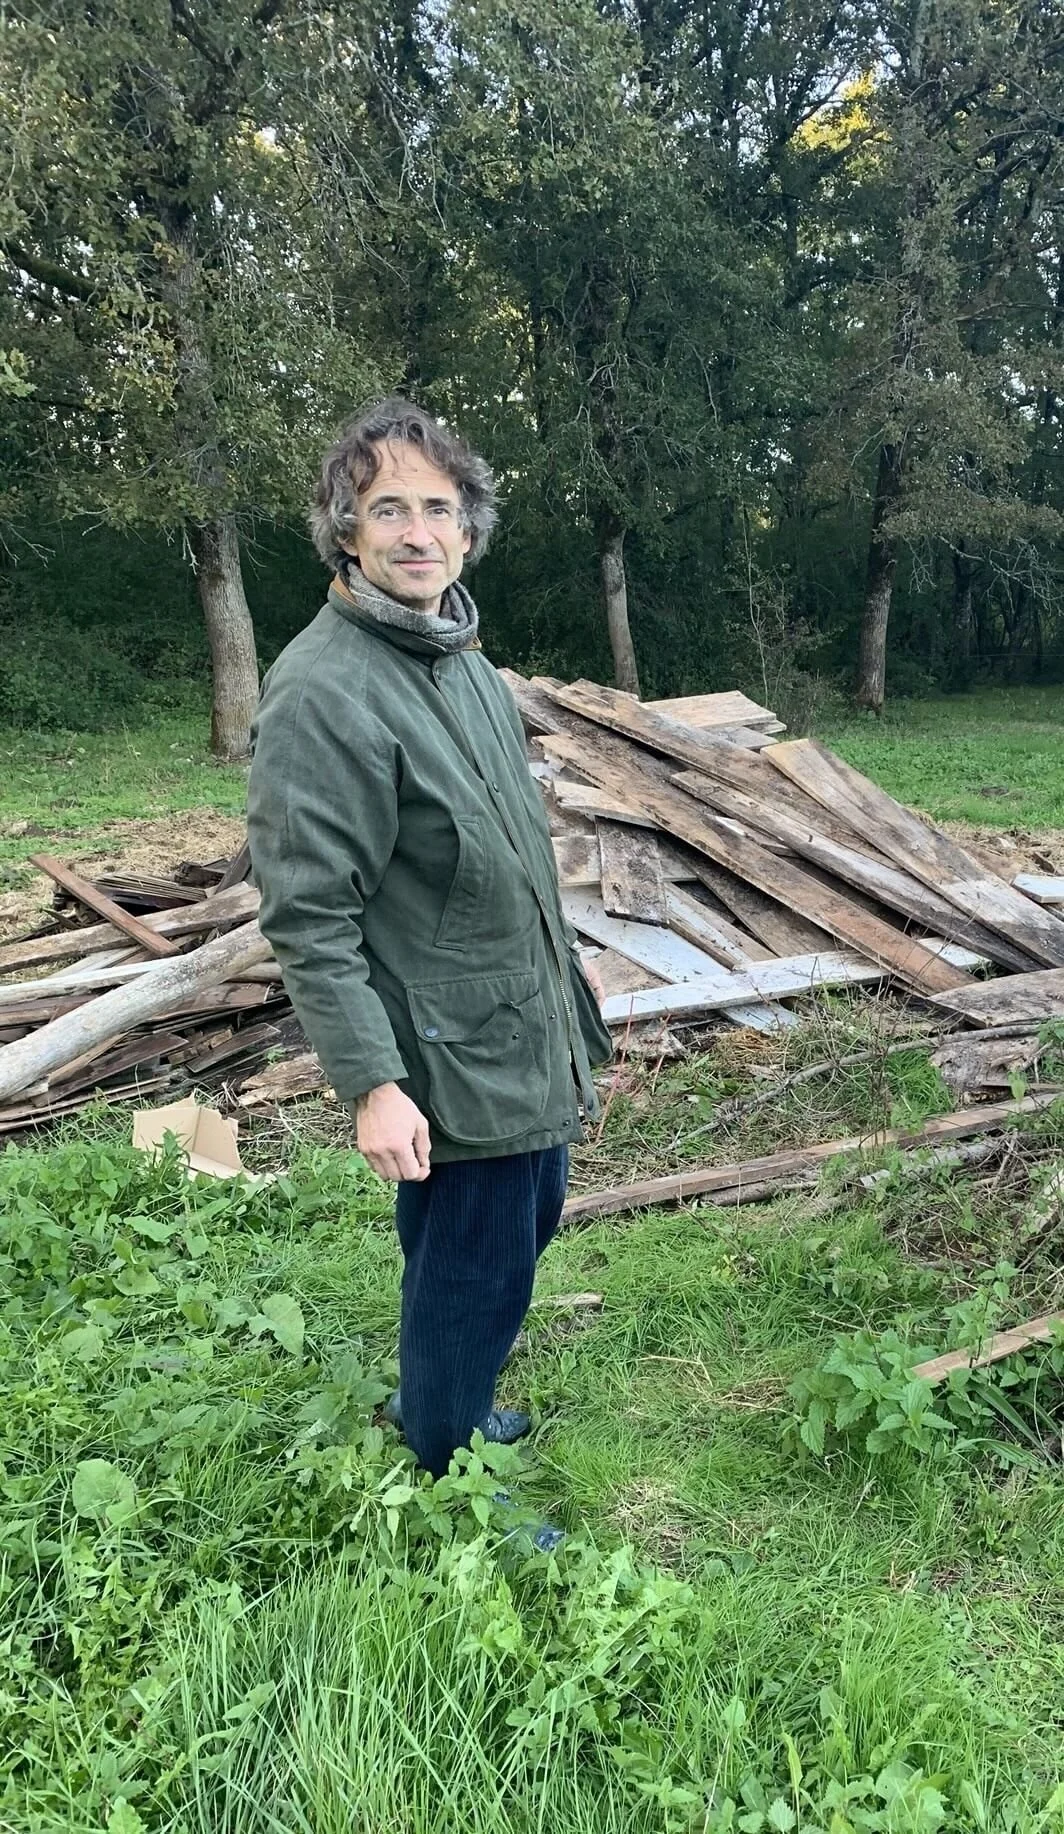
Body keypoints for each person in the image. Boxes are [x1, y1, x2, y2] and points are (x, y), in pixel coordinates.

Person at [247, 397, 612, 1519]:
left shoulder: (454, 652)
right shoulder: (324, 690)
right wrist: (372, 1083)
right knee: (476, 1261)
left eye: (437, 509)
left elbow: (497, 855)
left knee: (502, 1227)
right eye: (386, 509)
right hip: (443, 1051)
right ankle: (451, 1470)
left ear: (467, 528)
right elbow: (309, 912)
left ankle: (438, 1404)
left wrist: (572, 1006)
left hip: (510, 1021)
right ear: (344, 532)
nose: (416, 532)